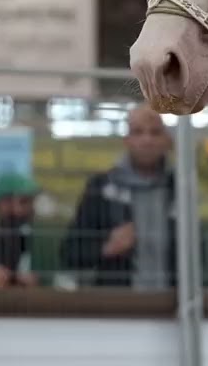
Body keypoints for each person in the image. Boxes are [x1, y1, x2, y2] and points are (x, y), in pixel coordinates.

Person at [60, 105, 176, 289]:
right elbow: (70, 252)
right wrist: (106, 247)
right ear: (127, 140)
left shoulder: (178, 188)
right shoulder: (101, 187)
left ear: (166, 141)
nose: (147, 140)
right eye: (138, 132)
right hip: (118, 303)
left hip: (172, 303)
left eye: (155, 133)